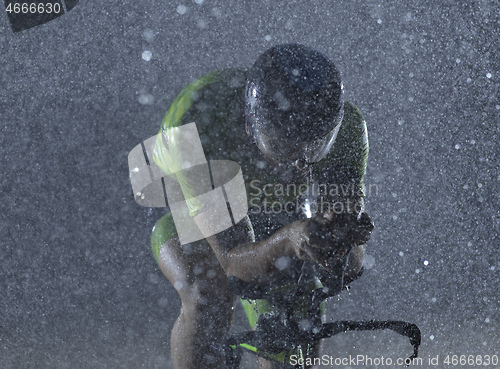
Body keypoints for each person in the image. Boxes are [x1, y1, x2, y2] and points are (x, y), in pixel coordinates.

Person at [150, 44, 372, 369]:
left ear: (332, 131)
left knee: (300, 297)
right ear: (247, 125)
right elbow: (232, 264)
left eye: (314, 147)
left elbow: (348, 264)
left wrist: (340, 238)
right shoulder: (196, 126)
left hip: (272, 209)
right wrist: (287, 241)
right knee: (208, 291)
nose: (295, 166)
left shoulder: (347, 131)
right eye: (280, 144)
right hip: (184, 199)